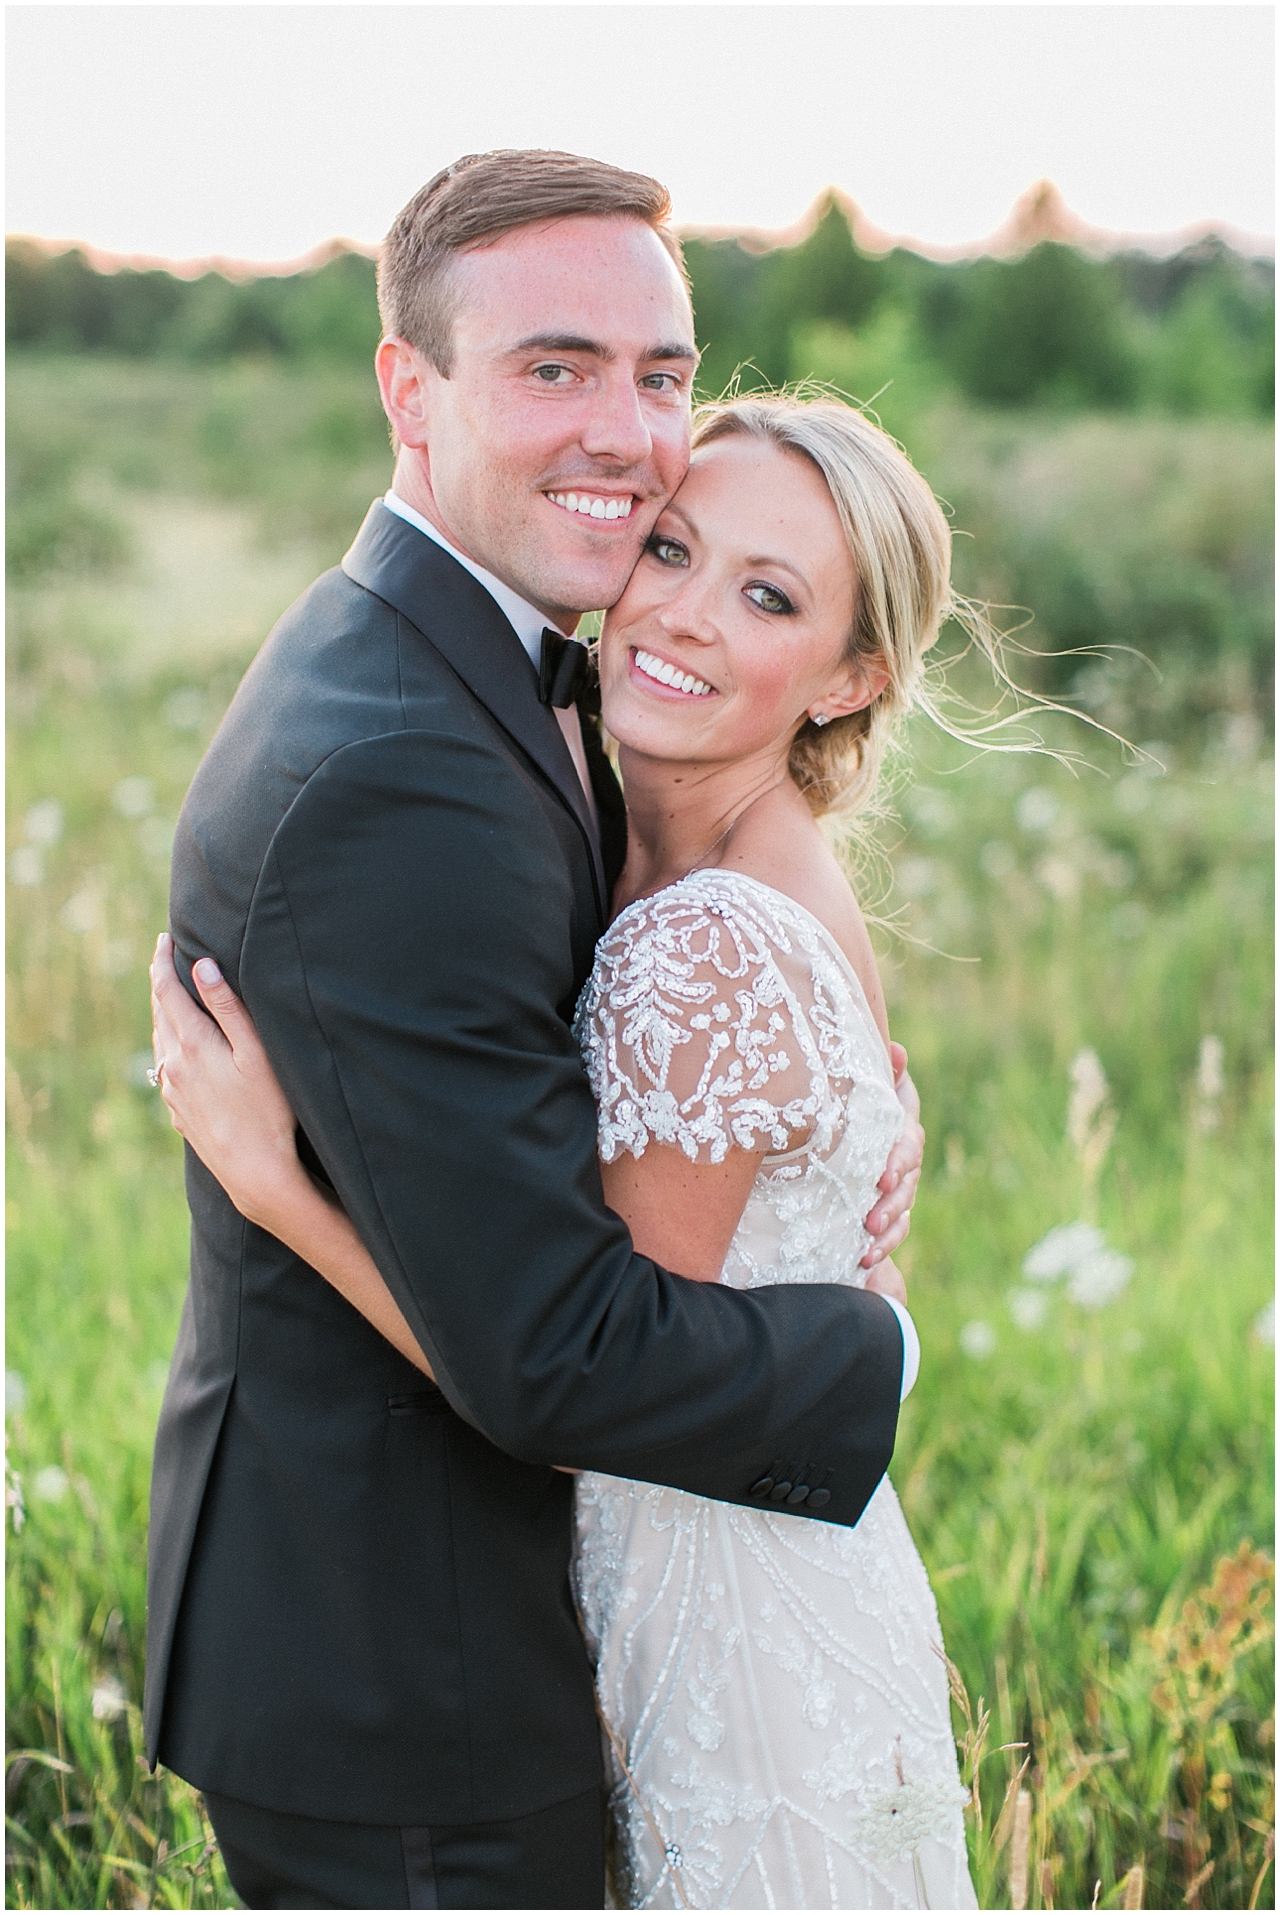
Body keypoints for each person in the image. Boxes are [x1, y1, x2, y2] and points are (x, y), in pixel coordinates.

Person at [143, 150, 924, 1912]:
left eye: (659, 375)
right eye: (554, 367)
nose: (624, 433)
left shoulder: (478, 669)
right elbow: (555, 1359)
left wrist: (839, 1112)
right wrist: (877, 1347)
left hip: (535, 1637)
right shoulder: (406, 762)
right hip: (405, 1682)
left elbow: (692, 1012)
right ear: (409, 388)